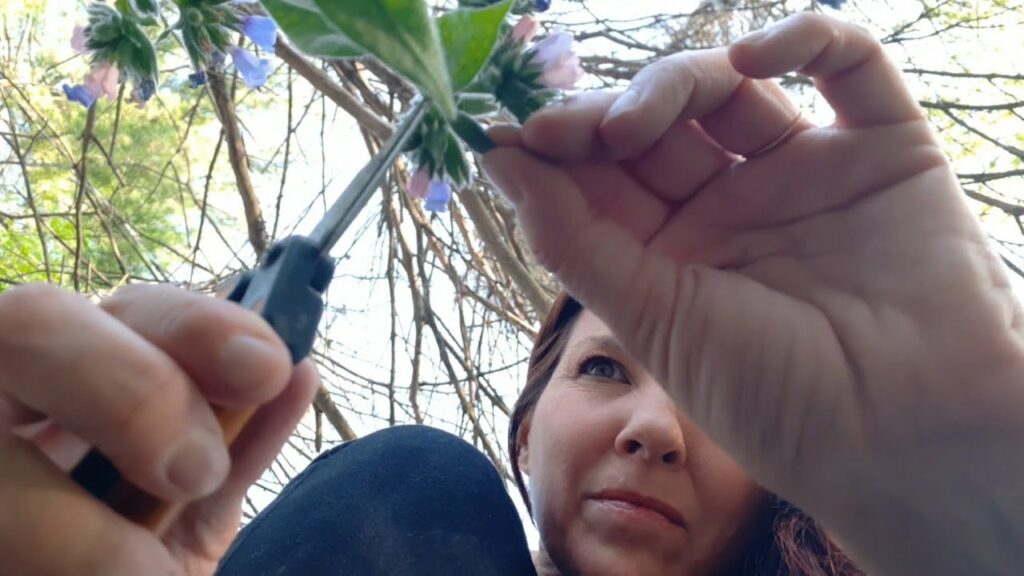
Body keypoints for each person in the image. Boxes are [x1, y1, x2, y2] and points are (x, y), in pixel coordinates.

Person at [0, 11, 1020, 575]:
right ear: (524, 429)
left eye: (721, 407)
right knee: (409, 483)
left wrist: (963, 489)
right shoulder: (399, 527)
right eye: (605, 368)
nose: (656, 430)